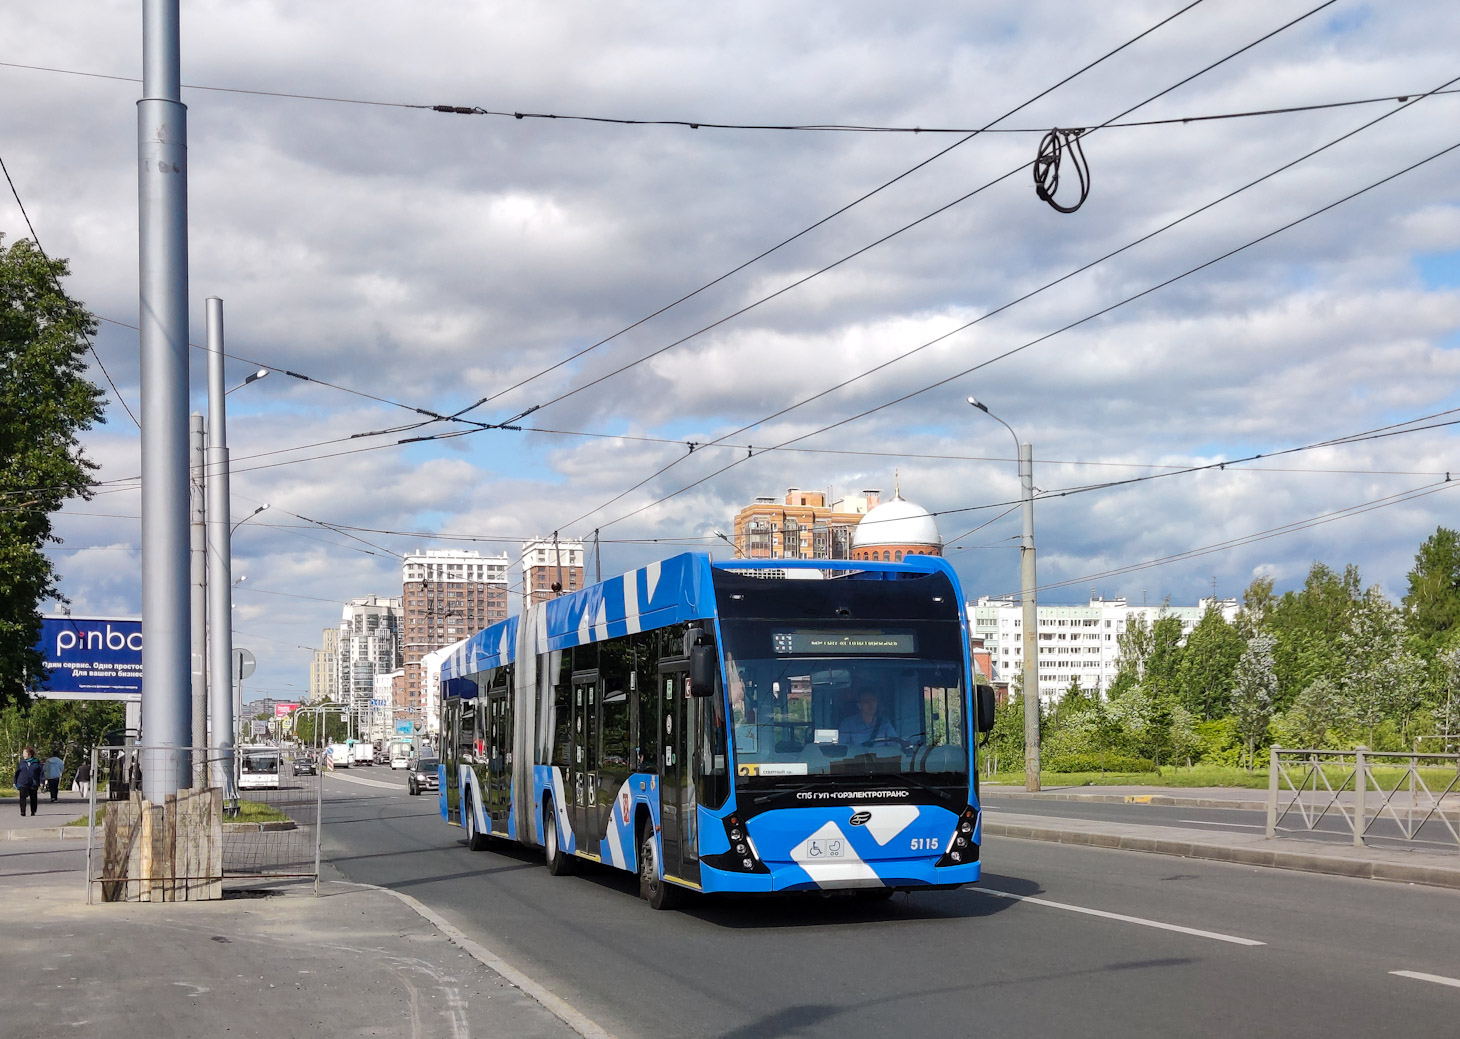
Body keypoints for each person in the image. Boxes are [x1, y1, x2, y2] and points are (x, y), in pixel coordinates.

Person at [14, 747, 44, 817]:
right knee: (22, 797)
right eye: (23, 753)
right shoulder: (21, 762)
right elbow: (17, 773)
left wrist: (42, 781)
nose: (24, 755)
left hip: (33, 782)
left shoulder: (36, 762)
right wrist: (15, 782)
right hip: (23, 782)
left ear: (30, 754)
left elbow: (41, 772)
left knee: (33, 797)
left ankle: (33, 811)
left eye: (25, 753)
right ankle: (23, 811)